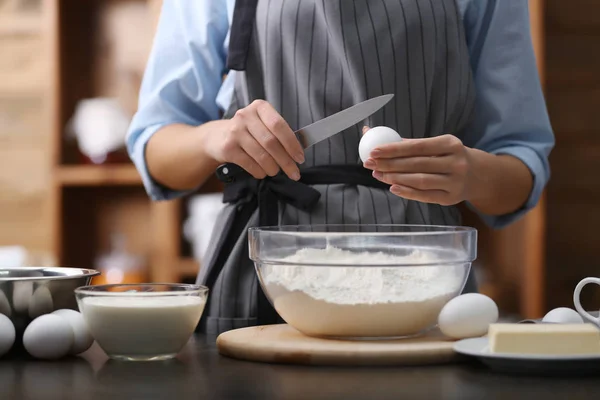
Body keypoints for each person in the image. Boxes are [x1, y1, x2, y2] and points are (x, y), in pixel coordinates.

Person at [126, 0, 555, 335]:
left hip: (424, 272)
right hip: (264, 268)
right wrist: (212, 138)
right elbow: (156, 154)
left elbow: (519, 170)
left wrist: (473, 174)